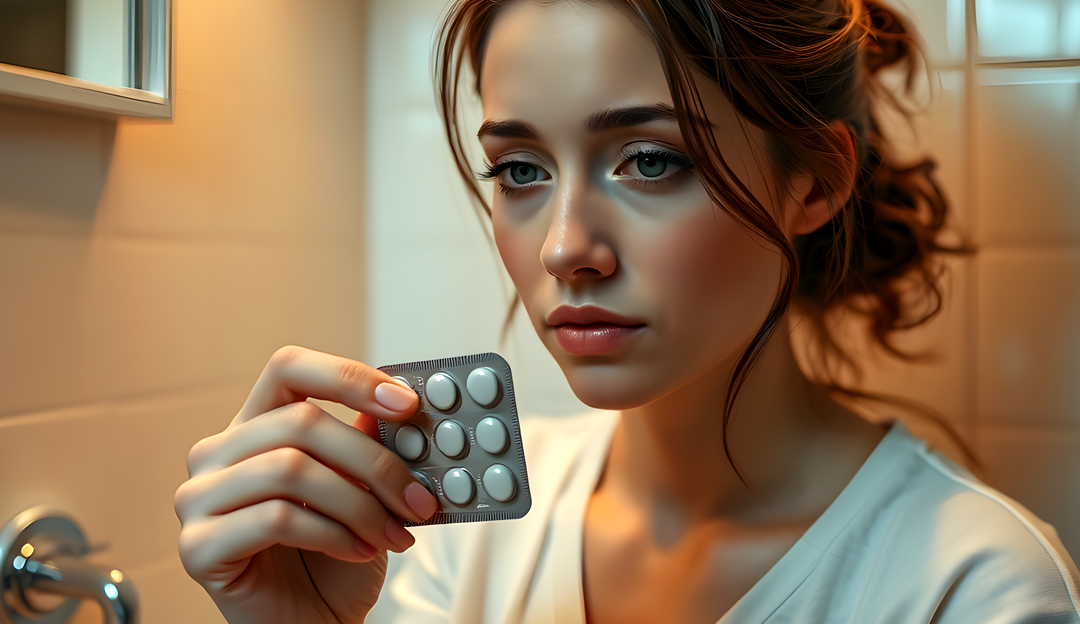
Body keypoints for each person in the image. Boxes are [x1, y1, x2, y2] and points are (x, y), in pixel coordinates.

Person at [174, 0, 1080, 622]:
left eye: (650, 159)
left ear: (816, 179)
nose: (567, 246)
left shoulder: (971, 587)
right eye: (520, 170)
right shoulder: (456, 545)